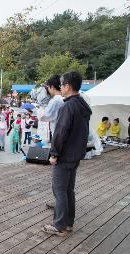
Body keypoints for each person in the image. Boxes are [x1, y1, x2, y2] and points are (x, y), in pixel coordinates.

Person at [41, 71, 92, 237]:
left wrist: (54, 154)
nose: (60, 87)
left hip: (65, 155)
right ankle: (68, 222)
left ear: (68, 86)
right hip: (76, 154)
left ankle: (60, 225)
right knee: (69, 190)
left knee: (60, 190)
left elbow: (61, 133)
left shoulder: (68, 106)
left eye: (62, 85)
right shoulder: (82, 104)